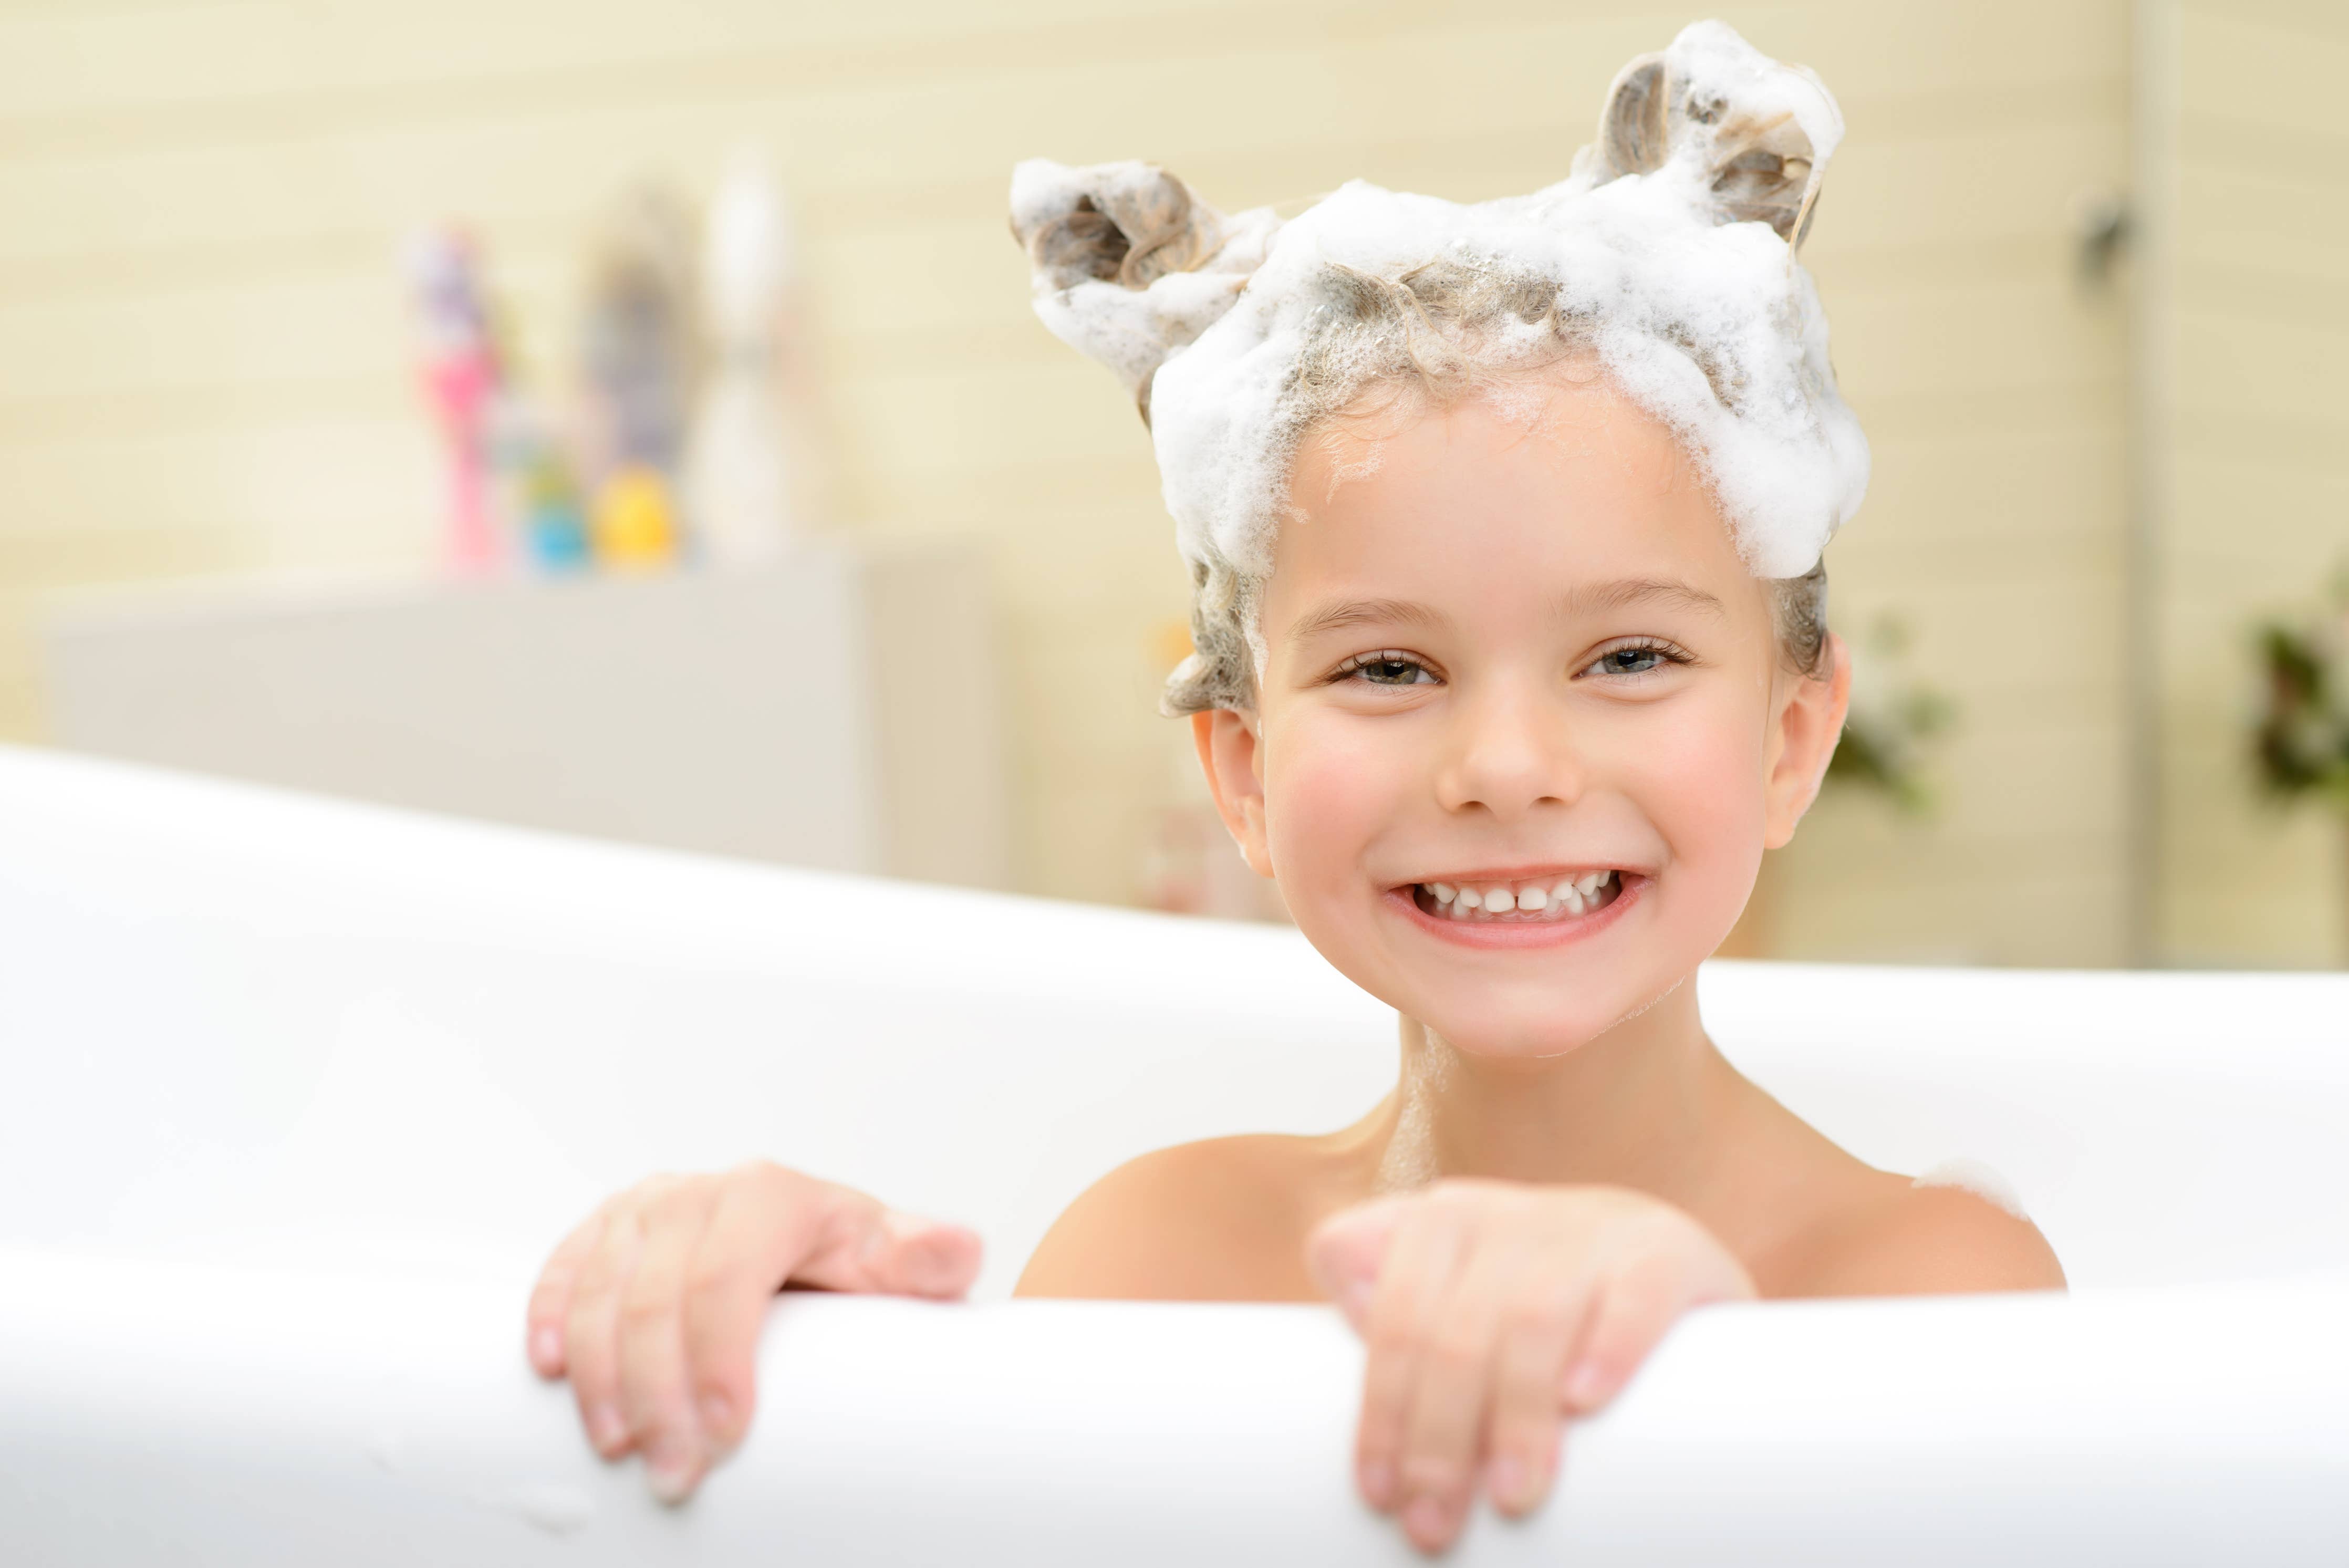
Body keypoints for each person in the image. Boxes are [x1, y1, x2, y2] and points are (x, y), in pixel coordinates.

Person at [523, 22, 2064, 1555]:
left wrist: (1711, 1376)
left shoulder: (1930, 1287)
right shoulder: (1152, 1266)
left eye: (1630, 656)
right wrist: (817, 1380)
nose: (1506, 768)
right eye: (1389, 668)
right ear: (1246, 775)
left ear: (1790, 740)